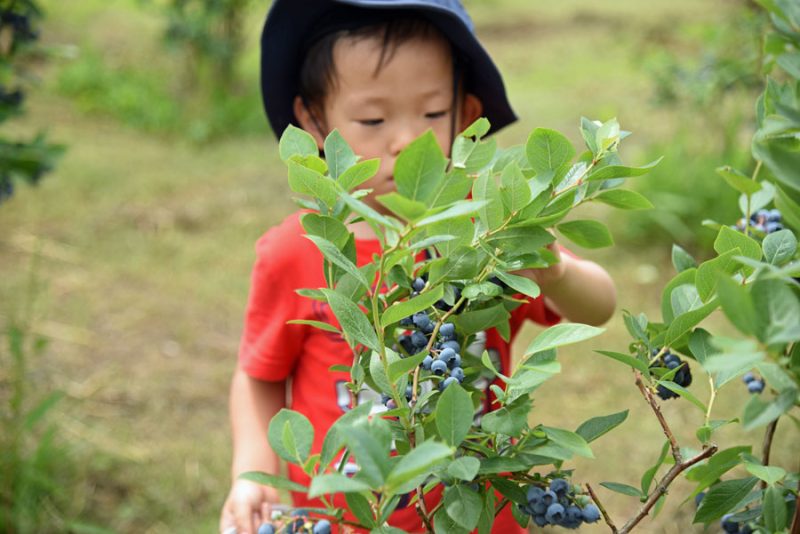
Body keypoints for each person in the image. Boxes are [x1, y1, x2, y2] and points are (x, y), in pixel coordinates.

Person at [219, 1, 617, 533]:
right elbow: (258, 377)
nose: (406, 140)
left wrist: (558, 274)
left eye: (431, 114)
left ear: (467, 114)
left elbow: (601, 307)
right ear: (314, 121)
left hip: (479, 517)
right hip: (341, 519)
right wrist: (254, 472)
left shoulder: (487, 235)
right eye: (373, 119)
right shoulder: (299, 251)